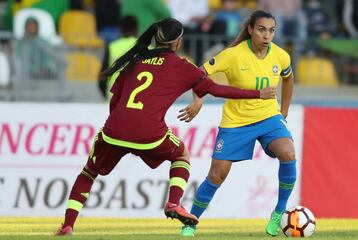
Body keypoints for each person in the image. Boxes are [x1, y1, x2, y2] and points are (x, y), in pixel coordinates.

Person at [54, 17, 277, 236]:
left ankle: (68, 226)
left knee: (88, 172)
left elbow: (115, 99)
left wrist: (123, 127)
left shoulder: (136, 60)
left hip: (114, 130)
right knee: (181, 156)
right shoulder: (182, 66)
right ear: (177, 42)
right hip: (148, 133)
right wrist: (258, 93)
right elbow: (217, 90)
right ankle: (173, 203)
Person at [179, 10, 296, 237]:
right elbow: (199, 74)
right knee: (216, 175)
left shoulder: (281, 56)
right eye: (261, 29)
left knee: (288, 153)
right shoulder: (233, 55)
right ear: (251, 29)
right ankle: (190, 222)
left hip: (268, 118)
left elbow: (288, 78)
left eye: (271, 31)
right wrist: (197, 101)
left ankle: (279, 212)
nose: (267, 35)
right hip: (236, 122)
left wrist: (284, 111)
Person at [98, 15, 138, 100]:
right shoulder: (148, 48)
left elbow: (103, 76)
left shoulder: (112, 47)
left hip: (114, 99)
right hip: (138, 102)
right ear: (136, 29)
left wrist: (106, 95)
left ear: (120, 30)